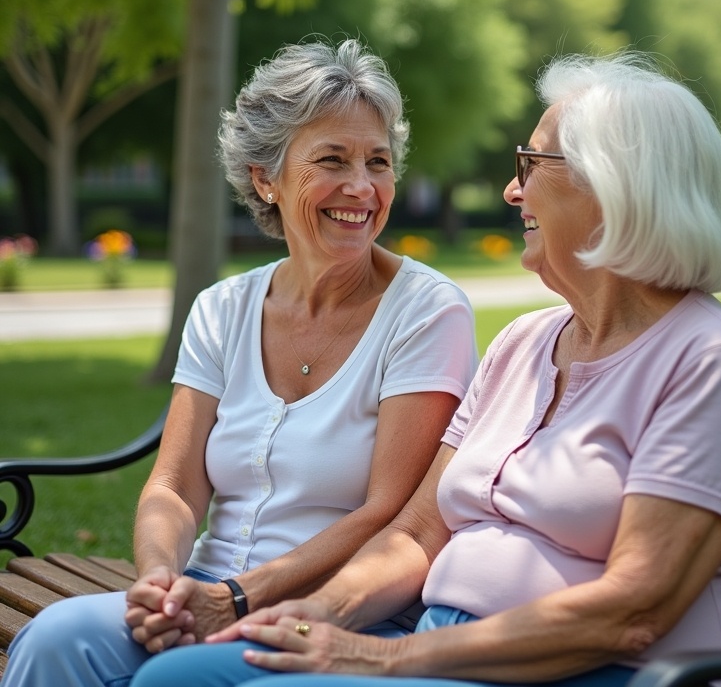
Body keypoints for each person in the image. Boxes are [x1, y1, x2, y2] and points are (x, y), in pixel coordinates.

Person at [129, 51, 721, 687]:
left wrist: (379, 657)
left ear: (615, 187)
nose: (511, 190)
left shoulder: (714, 364)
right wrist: (322, 615)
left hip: (597, 673)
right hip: (452, 651)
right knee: (175, 676)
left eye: (531, 163)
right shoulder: (524, 344)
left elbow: (630, 614)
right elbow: (418, 533)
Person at [3, 38, 479, 687]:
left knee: (166, 679)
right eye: (332, 160)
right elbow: (174, 487)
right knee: (52, 640)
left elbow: (386, 512)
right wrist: (159, 586)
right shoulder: (223, 308)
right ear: (265, 177)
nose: (362, 188)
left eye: (379, 161)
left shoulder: (427, 312)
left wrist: (236, 599)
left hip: (340, 615)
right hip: (205, 589)